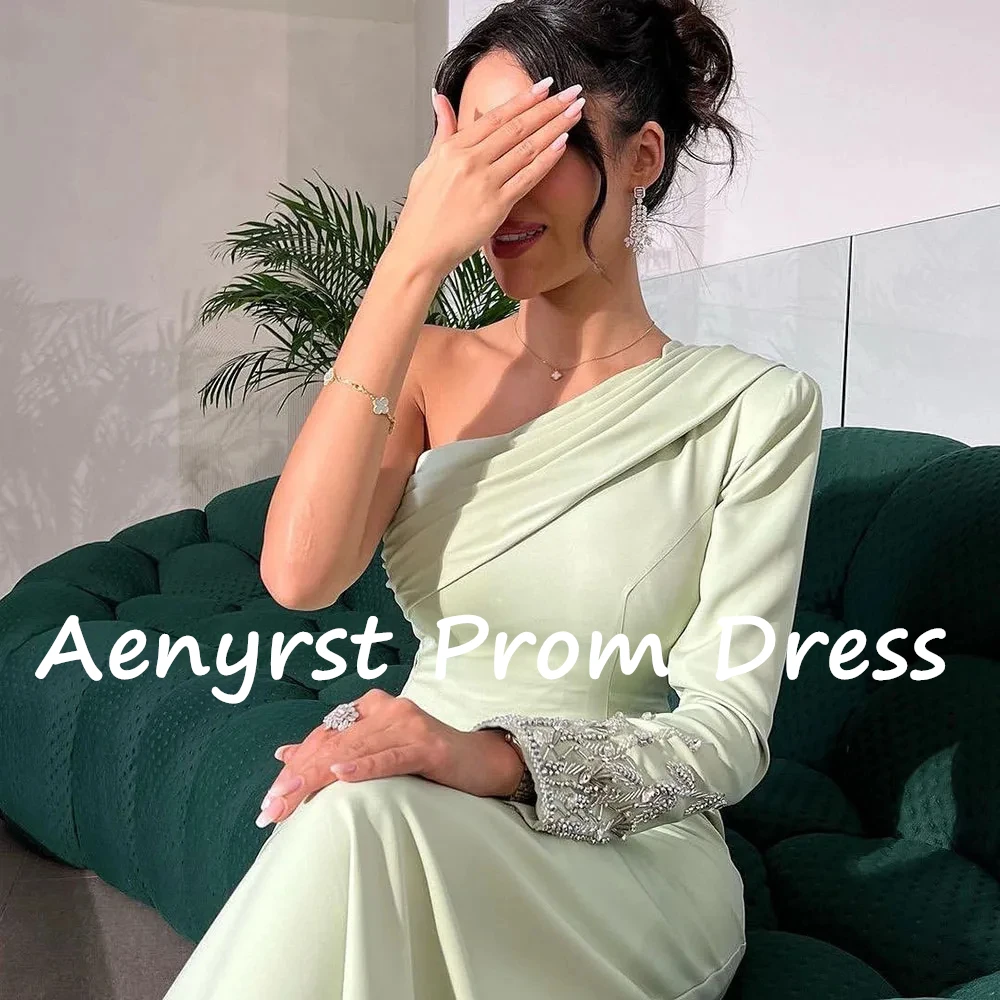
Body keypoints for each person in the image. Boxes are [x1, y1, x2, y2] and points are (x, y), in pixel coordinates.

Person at [163, 1, 823, 998]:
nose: (494, 190)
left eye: (532, 142)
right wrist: (409, 263)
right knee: (358, 815)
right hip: (410, 790)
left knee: (358, 822)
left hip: (624, 858)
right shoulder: (425, 369)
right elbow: (299, 576)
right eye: (471, 154)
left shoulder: (752, 409)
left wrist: (490, 757)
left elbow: (726, 733)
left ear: (641, 156)